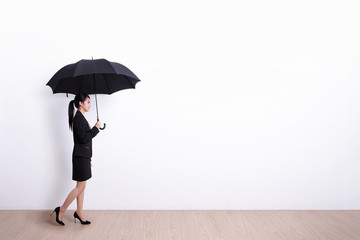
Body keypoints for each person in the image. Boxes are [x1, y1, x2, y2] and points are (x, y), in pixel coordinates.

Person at [51, 93, 101, 226]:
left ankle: (79, 212)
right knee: (80, 187)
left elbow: (83, 141)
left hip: (83, 157)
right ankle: (61, 210)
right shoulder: (78, 119)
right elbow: (84, 139)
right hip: (80, 157)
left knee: (81, 187)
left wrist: (88, 157)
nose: (90, 105)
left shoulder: (81, 118)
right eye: (88, 102)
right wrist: (96, 128)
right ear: (80, 103)